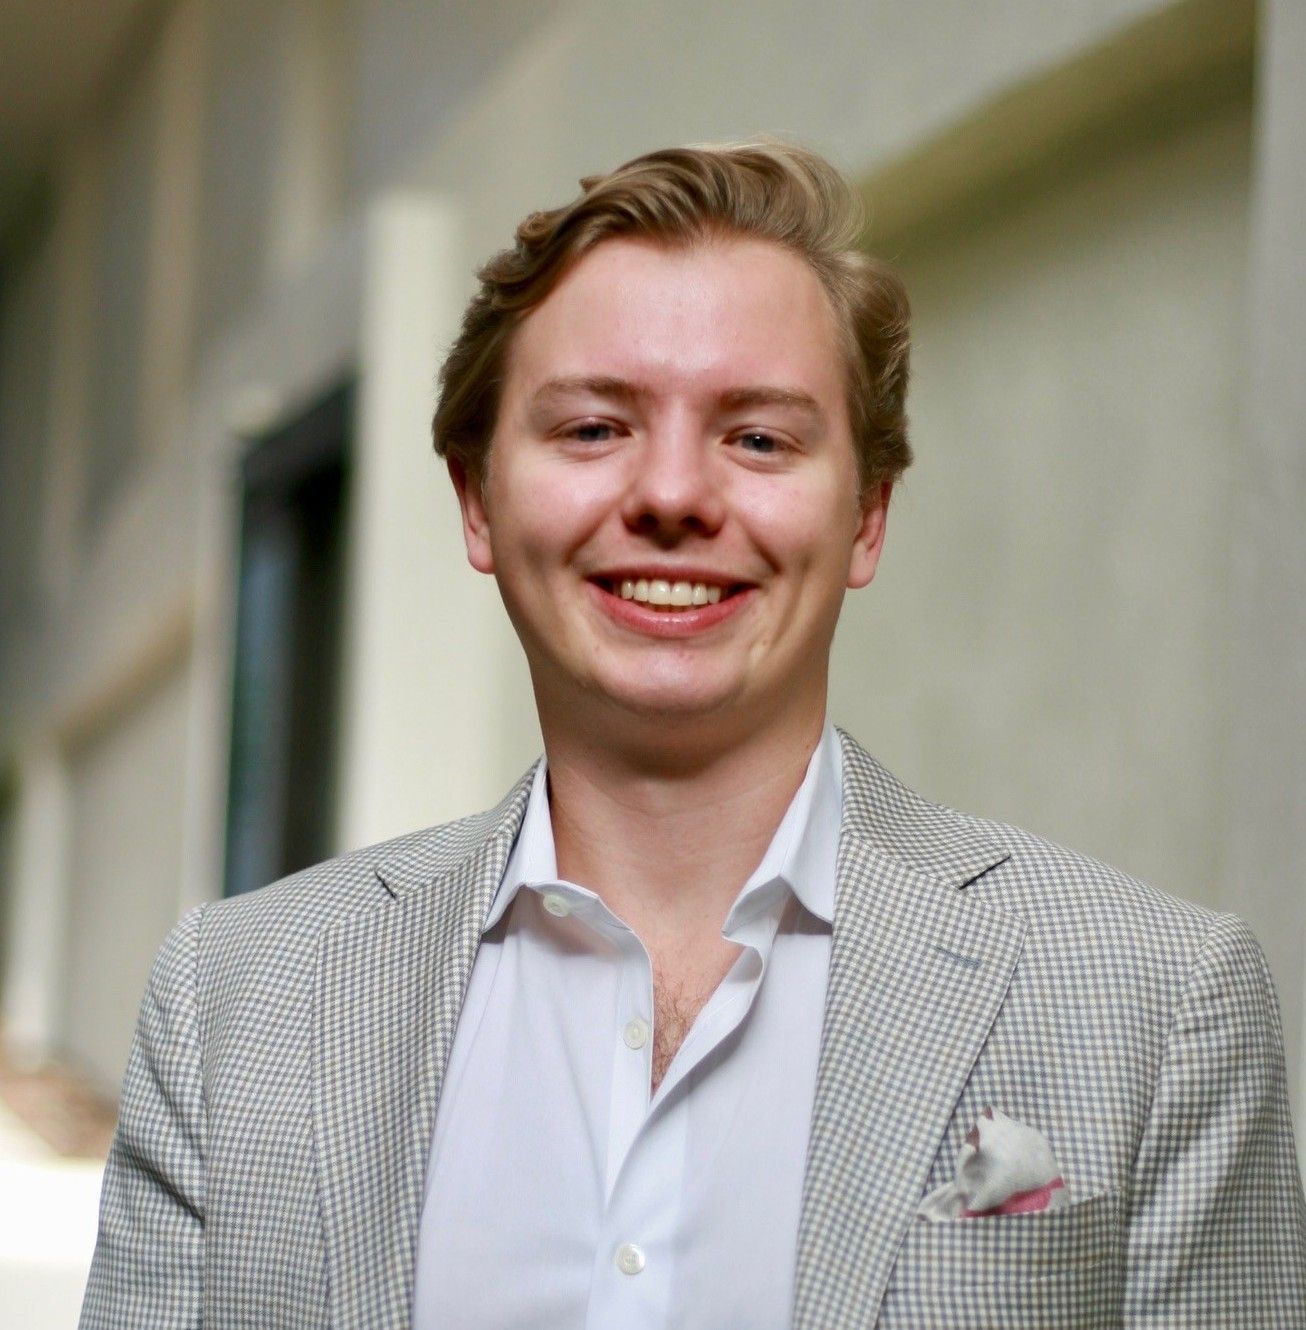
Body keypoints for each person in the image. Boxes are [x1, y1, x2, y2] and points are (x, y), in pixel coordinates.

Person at [81, 142, 1306, 1329]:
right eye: (593, 428)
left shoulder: (1156, 1003)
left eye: (757, 436)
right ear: (477, 500)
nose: (672, 494)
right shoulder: (235, 1000)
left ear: (867, 517)